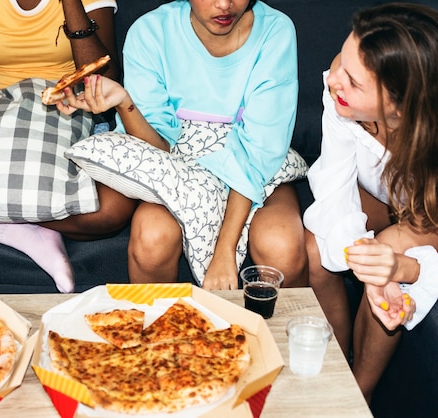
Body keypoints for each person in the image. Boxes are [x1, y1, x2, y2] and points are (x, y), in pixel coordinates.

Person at [57, 0, 308, 289]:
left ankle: (285, 334)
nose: (225, 5)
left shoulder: (275, 30)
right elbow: (159, 150)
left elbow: (259, 150)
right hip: (181, 167)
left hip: (255, 171)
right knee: (151, 237)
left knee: (281, 245)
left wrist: (224, 249)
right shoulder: (150, 31)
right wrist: (124, 102)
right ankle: (165, 332)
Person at [0, 0, 136, 292]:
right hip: (0, 118)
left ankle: (5, 221)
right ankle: (21, 220)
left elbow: (104, 79)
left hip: (72, 114)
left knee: (113, 209)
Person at [303, 2, 438, 403]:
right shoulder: (342, 89)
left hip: (429, 214)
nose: (334, 80)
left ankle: (356, 396)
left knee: (387, 254)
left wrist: (403, 268)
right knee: (317, 249)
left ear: (401, 105)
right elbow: (335, 178)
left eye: (354, 82)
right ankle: (335, 367)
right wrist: (360, 253)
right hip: (385, 196)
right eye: (342, 62)